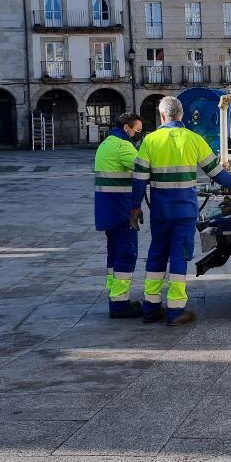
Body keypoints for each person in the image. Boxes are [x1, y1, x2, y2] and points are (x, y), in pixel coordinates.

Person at [130, 96, 231, 326]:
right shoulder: (194, 139)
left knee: (156, 254)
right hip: (185, 212)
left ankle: (151, 307)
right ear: (181, 115)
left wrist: (135, 207)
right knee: (178, 258)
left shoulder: (150, 141)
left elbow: (139, 180)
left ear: (162, 116)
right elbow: (217, 174)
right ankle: (175, 311)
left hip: (160, 212)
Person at [93, 113, 144, 318]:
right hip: (121, 211)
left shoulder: (106, 144)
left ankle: (115, 296)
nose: (138, 135)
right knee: (127, 253)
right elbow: (143, 167)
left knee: (114, 254)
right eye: (137, 131)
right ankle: (120, 304)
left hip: (108, 211)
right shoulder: (123, 147)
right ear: (126, 128)